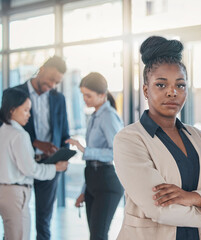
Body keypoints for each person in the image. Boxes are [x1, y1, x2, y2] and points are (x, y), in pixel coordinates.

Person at [113, 36, 201, 240]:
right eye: (161, 85)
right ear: (146, 90)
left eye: (180, 85)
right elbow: (160, 210)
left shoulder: (197, 137)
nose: (172, 92)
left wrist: (192, 198)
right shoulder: (129, 139)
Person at [0, 88, 68, 240]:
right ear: (12, 110)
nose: (29, 115)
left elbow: (11, 159)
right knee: (19, 236)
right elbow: (29, 169)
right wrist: (55, 167)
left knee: (10, 235)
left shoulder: (3, 131)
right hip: (16, 193)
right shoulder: (20, 135)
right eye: (25, 110)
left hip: (4, 191)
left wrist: (37, 156)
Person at [15, 55, 70, 240]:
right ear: (42, 69)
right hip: (21, 164)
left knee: (44, 222)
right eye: (52, 79)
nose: (53, 84)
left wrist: (64, 155)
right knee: (16, 220)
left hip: (49, 165)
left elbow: (64, 132)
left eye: (57, 82)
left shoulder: (58, 98)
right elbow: (6, 127)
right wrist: (36, 142)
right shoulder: (15, 94)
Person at [66, 72, 124, 240]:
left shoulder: (108, 116)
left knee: (98, 235)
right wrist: (84, 190)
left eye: (88, 95)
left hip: (106, 182)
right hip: (93, 179)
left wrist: (84, 149)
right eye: (83, 95)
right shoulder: (94, 116)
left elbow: (117, 152)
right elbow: (92, 164)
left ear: (102, 95)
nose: (85, 99)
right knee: (95, 235)